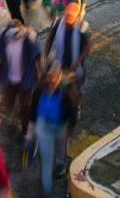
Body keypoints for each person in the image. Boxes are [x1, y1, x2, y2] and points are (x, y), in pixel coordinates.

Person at [25, 61, 78, 194]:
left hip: (62, 126)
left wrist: (68, 130)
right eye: (48, 79)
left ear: (58, 76)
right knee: (46, 159)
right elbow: (33, 113)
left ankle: (61, 164)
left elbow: (73, 112)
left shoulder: (66, 91)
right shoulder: (38, 91)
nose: (50, 84)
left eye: (53, 79)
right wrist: (30, 133)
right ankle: (46, 188)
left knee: (61, 148)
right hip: (45, 129)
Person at [0, 20, 41, 139]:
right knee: (9, 102)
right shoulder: (2, 36)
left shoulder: (29, 36)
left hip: (25, 78)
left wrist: (39, 75)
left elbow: (36, 55)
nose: (16, 38)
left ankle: (25, 127)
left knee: (24, 107)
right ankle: (12, 116)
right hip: (8, 79)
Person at [44, 1, 91, 100]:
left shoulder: (83, 26)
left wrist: (78, 61)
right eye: (66, 16)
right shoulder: (58, 22)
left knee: (77, 89)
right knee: (56, 87)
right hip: (59, 63)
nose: (66, 22)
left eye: (70, 18)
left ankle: (76, 107)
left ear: (76, 17)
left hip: (76, 65)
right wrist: (46, 55)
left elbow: (88, 47)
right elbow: (49, 39)